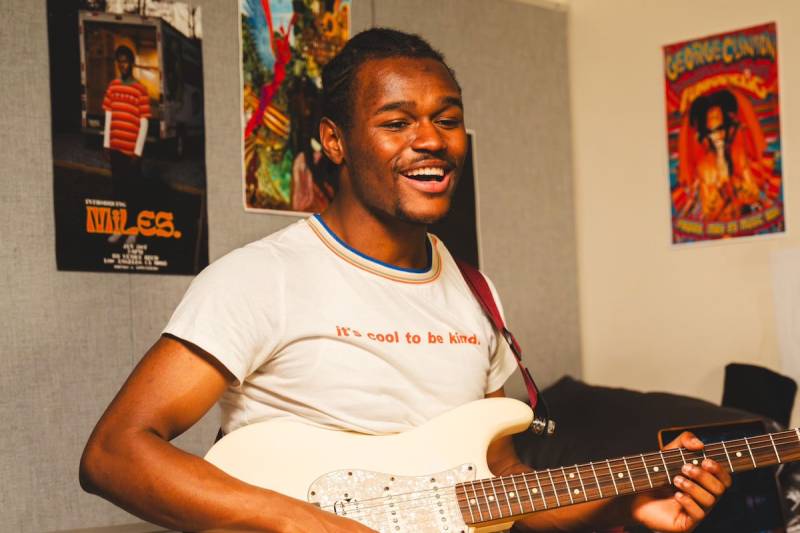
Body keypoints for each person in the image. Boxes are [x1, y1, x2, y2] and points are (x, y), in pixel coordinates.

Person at [80, 28, 731, 532]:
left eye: (447, 119)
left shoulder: (476, 294)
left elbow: (499, 484)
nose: (431, 140)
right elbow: (115, 452)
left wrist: (624, 502)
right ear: (334, 141)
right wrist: (310, 521)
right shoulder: (260, 278)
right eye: (397, 122)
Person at [102, 45, 151, 243]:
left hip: (131, 153)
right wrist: (106, 144)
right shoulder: (113, 86)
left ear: (132, 63)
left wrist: (137, 153)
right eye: (120, 61)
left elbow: (144, 123)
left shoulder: (140, 90)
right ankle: (118, 229)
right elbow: (108, 115)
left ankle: (133, 230)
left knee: (133, 193)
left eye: (126, 61)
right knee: (118, 190)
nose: (123, 65)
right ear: (118, 64)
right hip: (115, 149)